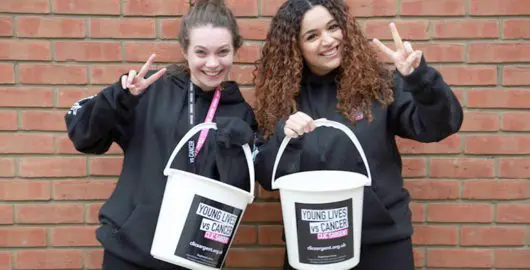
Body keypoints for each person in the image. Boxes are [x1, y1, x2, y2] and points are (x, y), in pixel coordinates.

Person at [253, 0, 463, 269]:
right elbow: (267, 177)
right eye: (312, 36)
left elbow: (440, 126)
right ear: (296, 47)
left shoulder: (377, 85)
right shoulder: (282, 100)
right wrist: (286, 138)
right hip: (313, 244)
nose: (328, 40)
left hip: (382, 242)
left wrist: (419, 81)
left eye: (333, 27)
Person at [64, 0, 256, 269]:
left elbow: (237, 193)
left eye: (222, 52)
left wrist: (235, 147)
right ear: (184, 50)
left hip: (194, 257)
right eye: (201, 52)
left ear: (235, 50)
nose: (213, 63)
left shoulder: (239, 112)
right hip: (129, 253)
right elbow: (84, 137)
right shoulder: (148, 90)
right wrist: (120, 97)